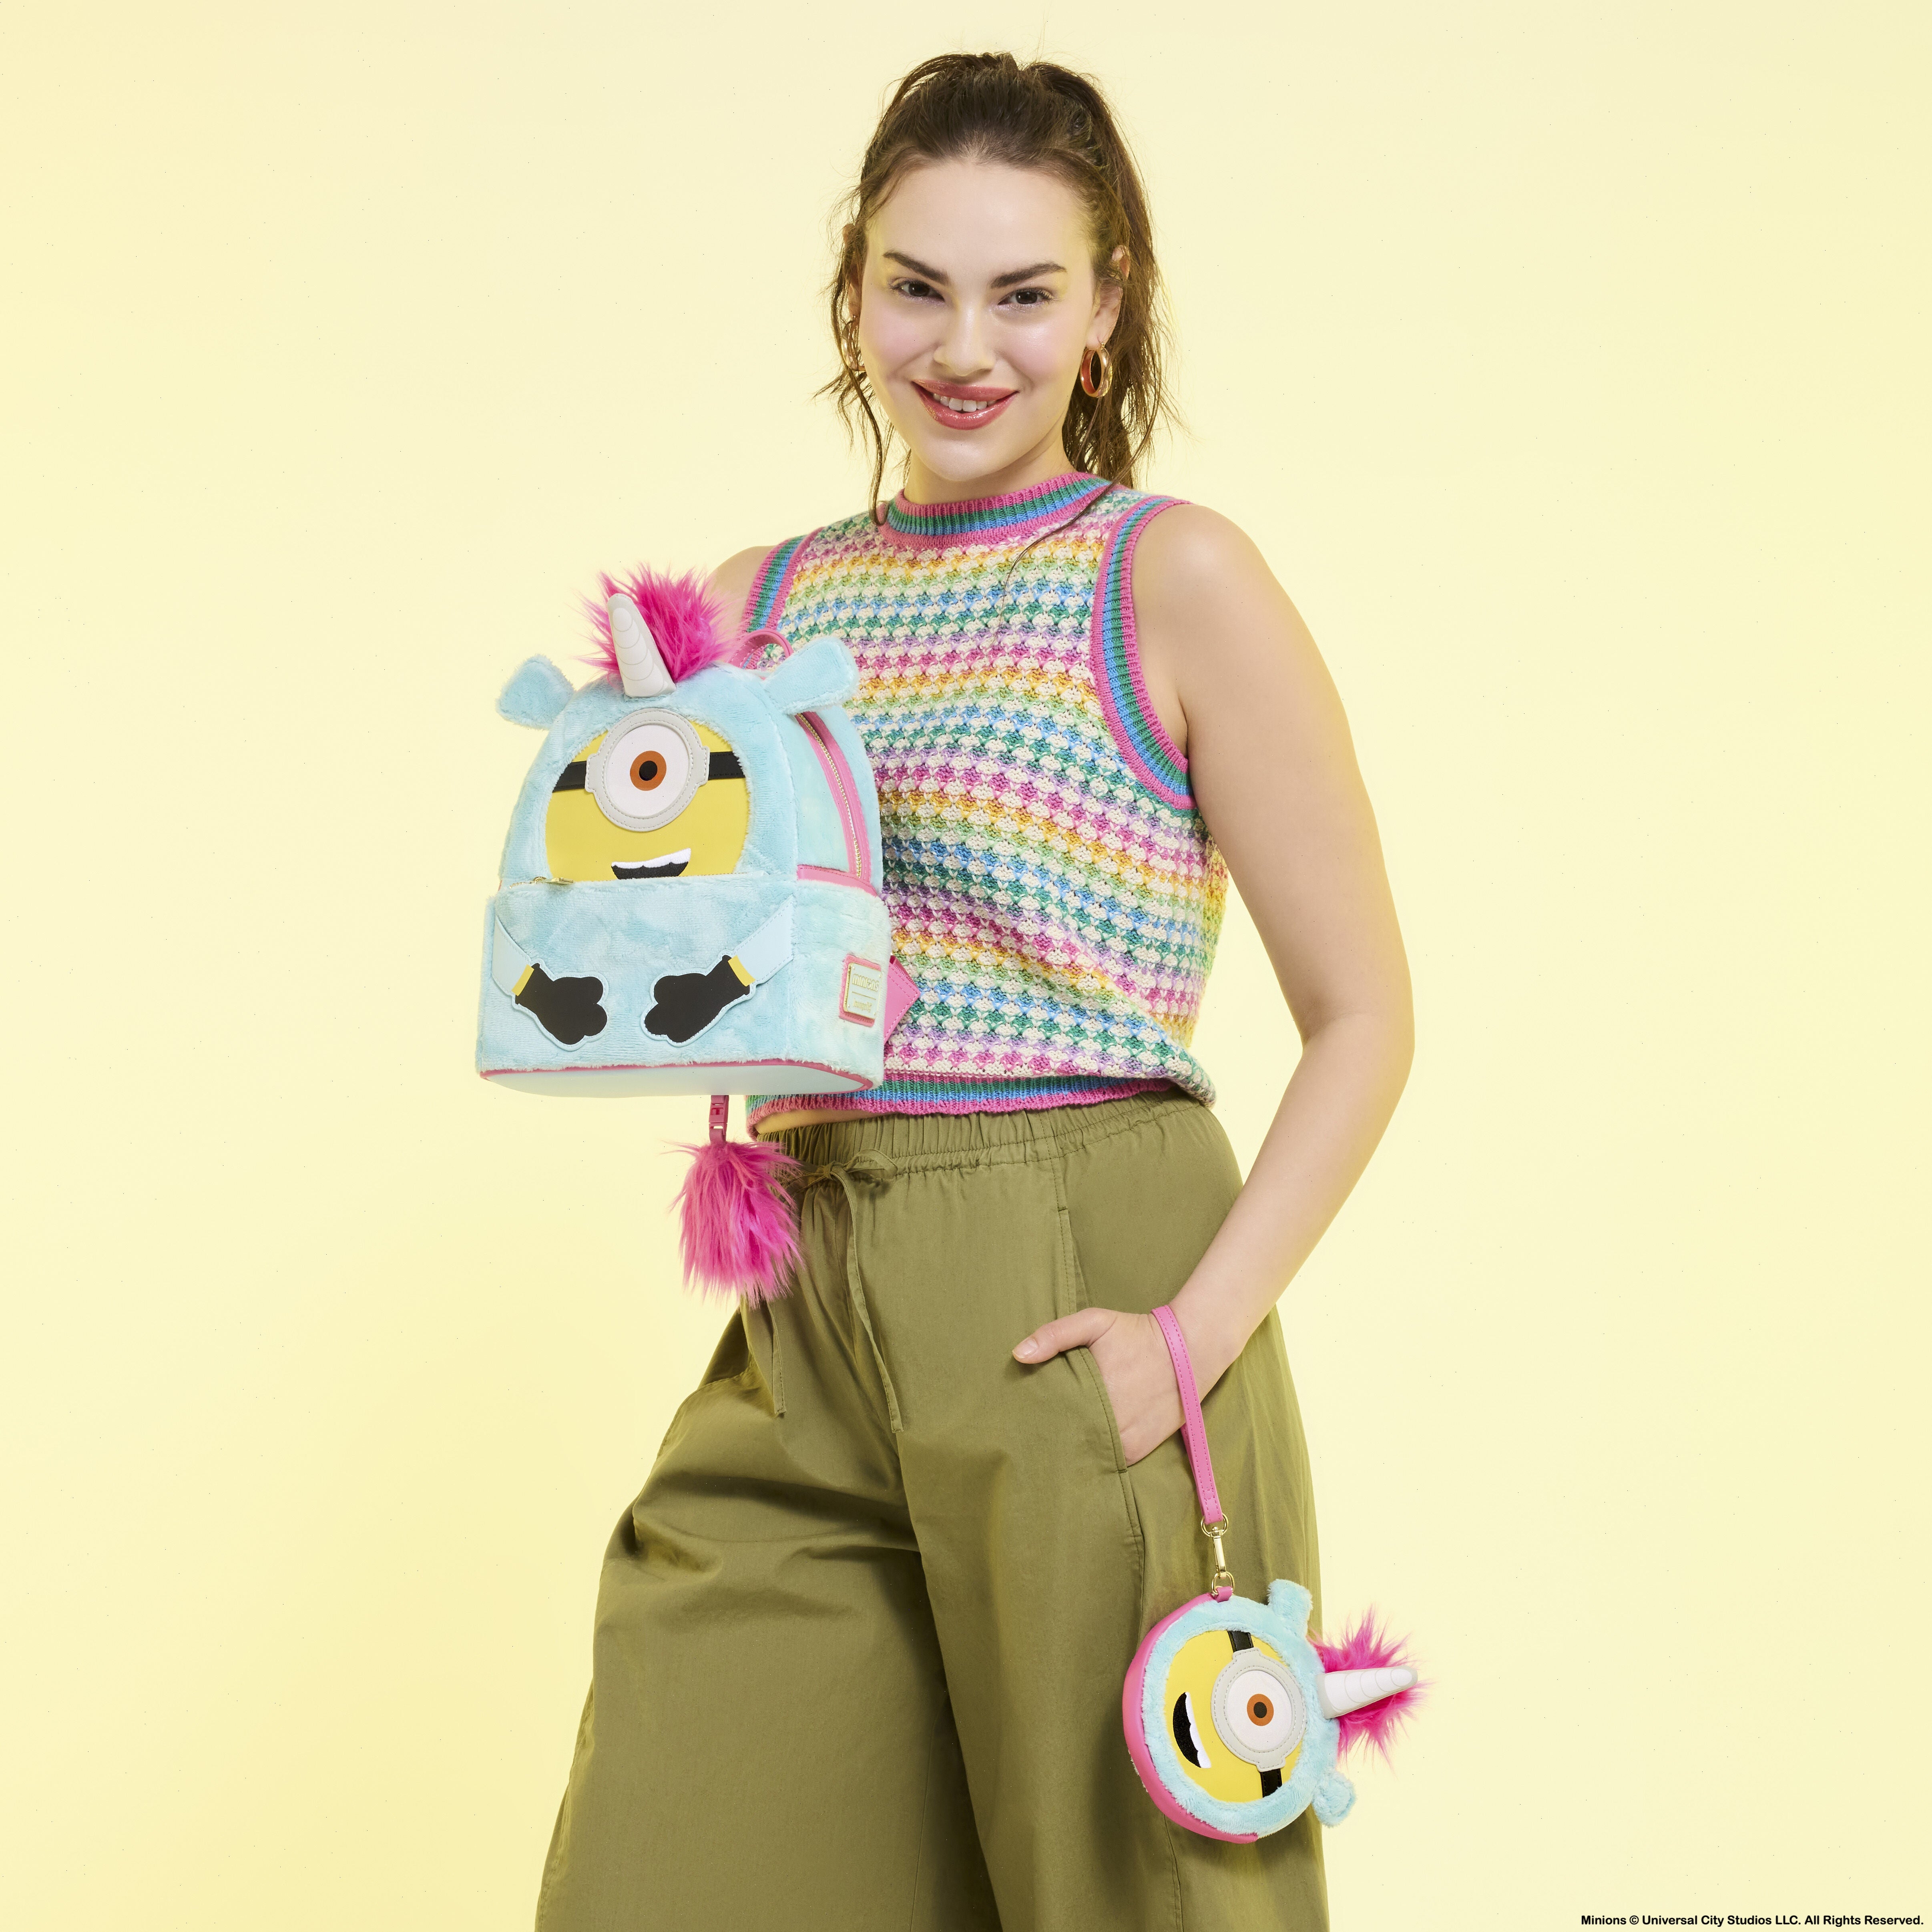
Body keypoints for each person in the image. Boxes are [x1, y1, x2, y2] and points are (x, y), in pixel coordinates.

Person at [535, 51, 1412, 1932]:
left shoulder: (1169, 576)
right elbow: (669, 944)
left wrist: (1187, 1341)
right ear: (852, 291)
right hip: (811, 1287)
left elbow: (1364, 1015)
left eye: (1023, 293)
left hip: (1083, 1267)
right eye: (916, 286)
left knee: (1140, 1886)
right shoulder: (757, 599)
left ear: (1107, 310)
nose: (962, 347)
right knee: (674, 1855)